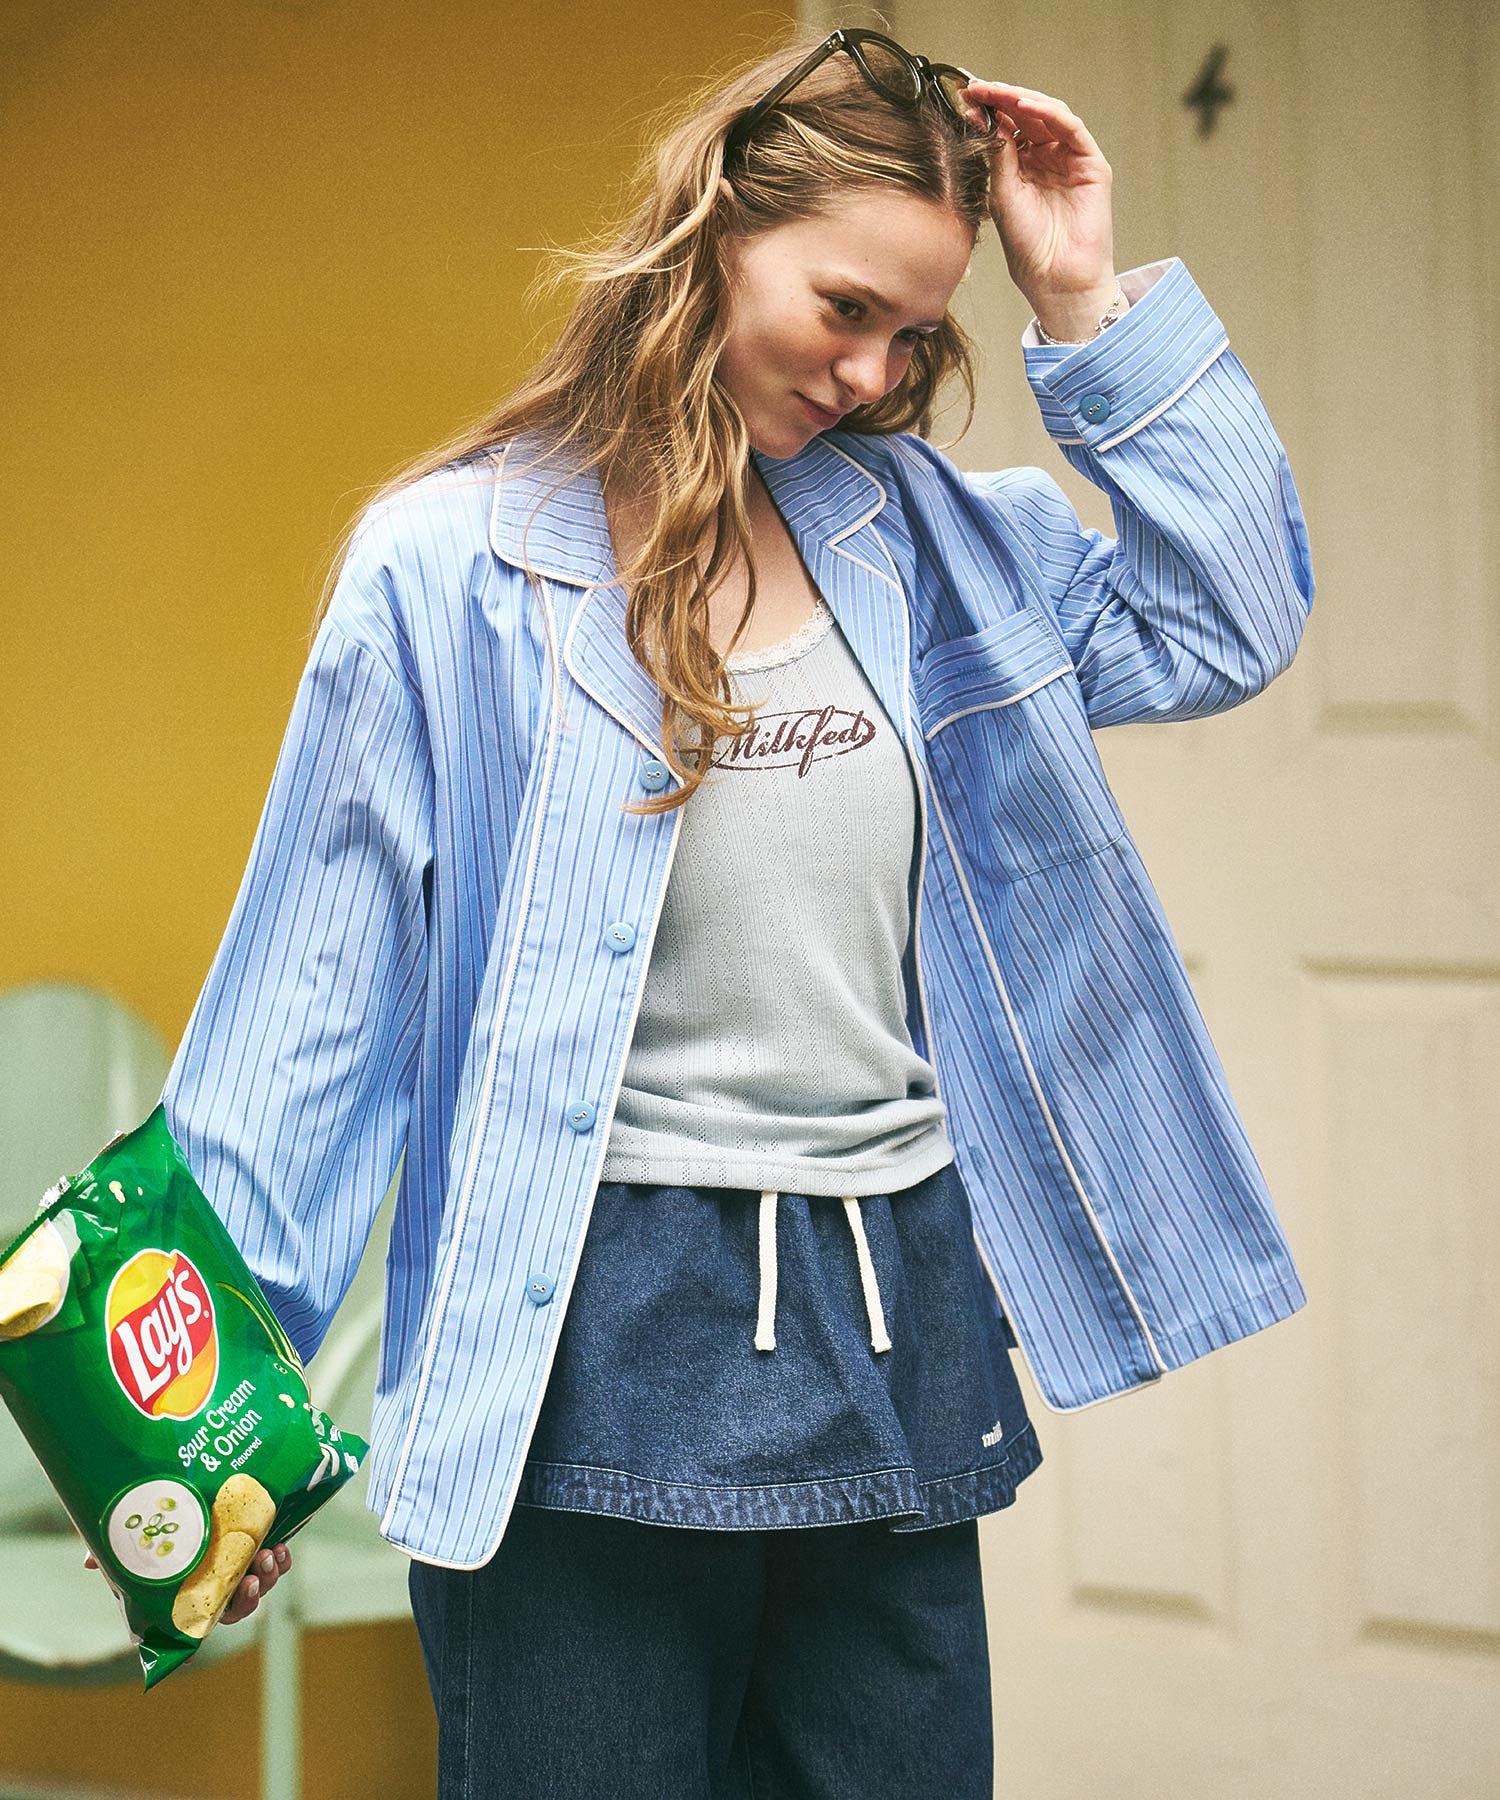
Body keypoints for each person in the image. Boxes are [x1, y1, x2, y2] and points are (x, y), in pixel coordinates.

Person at [152, 23, 1314, 1798]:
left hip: (896, 1328)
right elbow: (311, 1010)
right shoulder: (451, 569)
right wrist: (180, 1441)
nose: (873, 370)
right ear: (712, 234)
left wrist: (1082, 297)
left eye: (917, 333)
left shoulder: (942, 551)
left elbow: (1224, 615)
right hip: (585, 1348)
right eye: (845, 307)